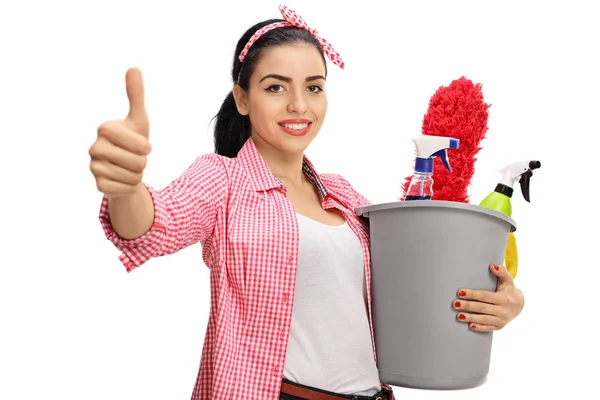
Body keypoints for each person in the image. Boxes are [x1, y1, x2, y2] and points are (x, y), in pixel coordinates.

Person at [88, 5, 525, 400]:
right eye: (276, 87)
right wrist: (125, 186)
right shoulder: (223, 180)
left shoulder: (347, 197)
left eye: (313, 87)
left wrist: (500, 301)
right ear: (242, 98)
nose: (299, 105)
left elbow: (417, 287)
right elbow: (153, 224)